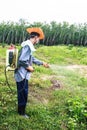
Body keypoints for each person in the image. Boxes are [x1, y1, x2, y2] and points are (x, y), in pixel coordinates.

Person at [14, 27, 49, 118]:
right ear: (35, 38)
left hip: (22, 74)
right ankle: (21, 113)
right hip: (21, 74)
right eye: (38, 39)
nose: (38, 40)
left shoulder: (28, 45)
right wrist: (29, 67)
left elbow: (31, 58)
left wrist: (42, 63)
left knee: (23, 92)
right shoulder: (28, 46)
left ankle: (20, 110)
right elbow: (22, 60)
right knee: (23, 93)